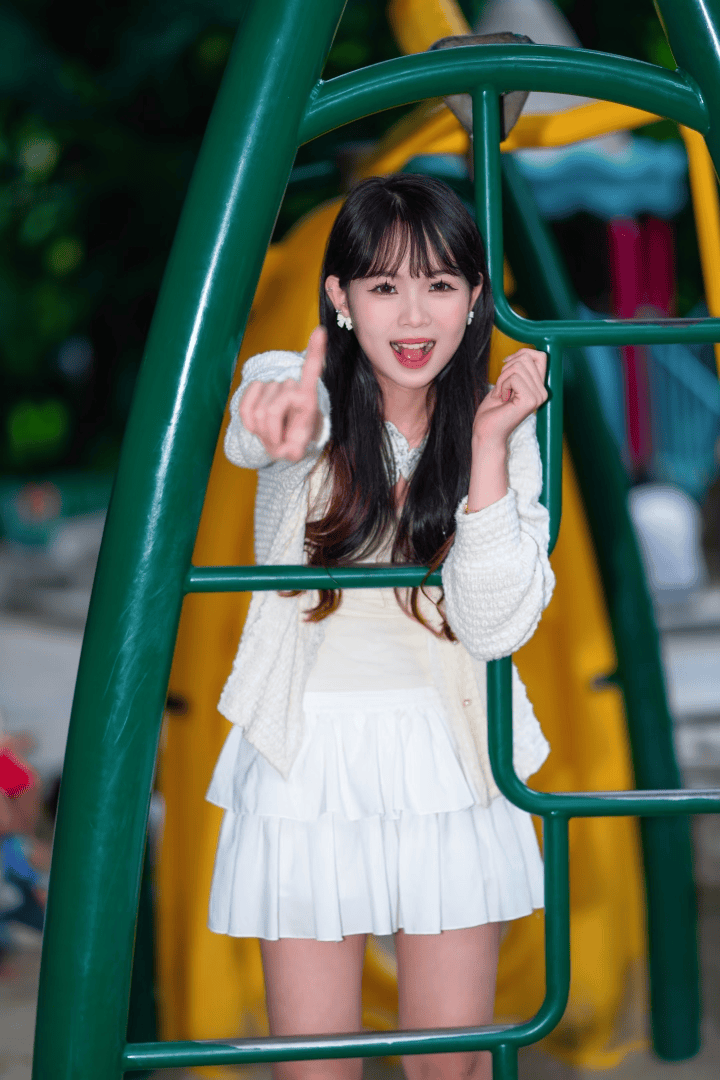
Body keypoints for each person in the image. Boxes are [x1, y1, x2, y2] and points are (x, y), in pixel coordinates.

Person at [207, 174, 554, 1080]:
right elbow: (271, 413)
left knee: (450, 1066)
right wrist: (281, 418)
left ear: (476, 298)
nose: (413, 314)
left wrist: (488, 448)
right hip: (306, 760)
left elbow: (492, 625)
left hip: (451, 757)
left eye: (439, 284)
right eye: (384, 284)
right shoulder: (297, 385)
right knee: (315, 1067)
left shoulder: (503, 429)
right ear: (341, 296)